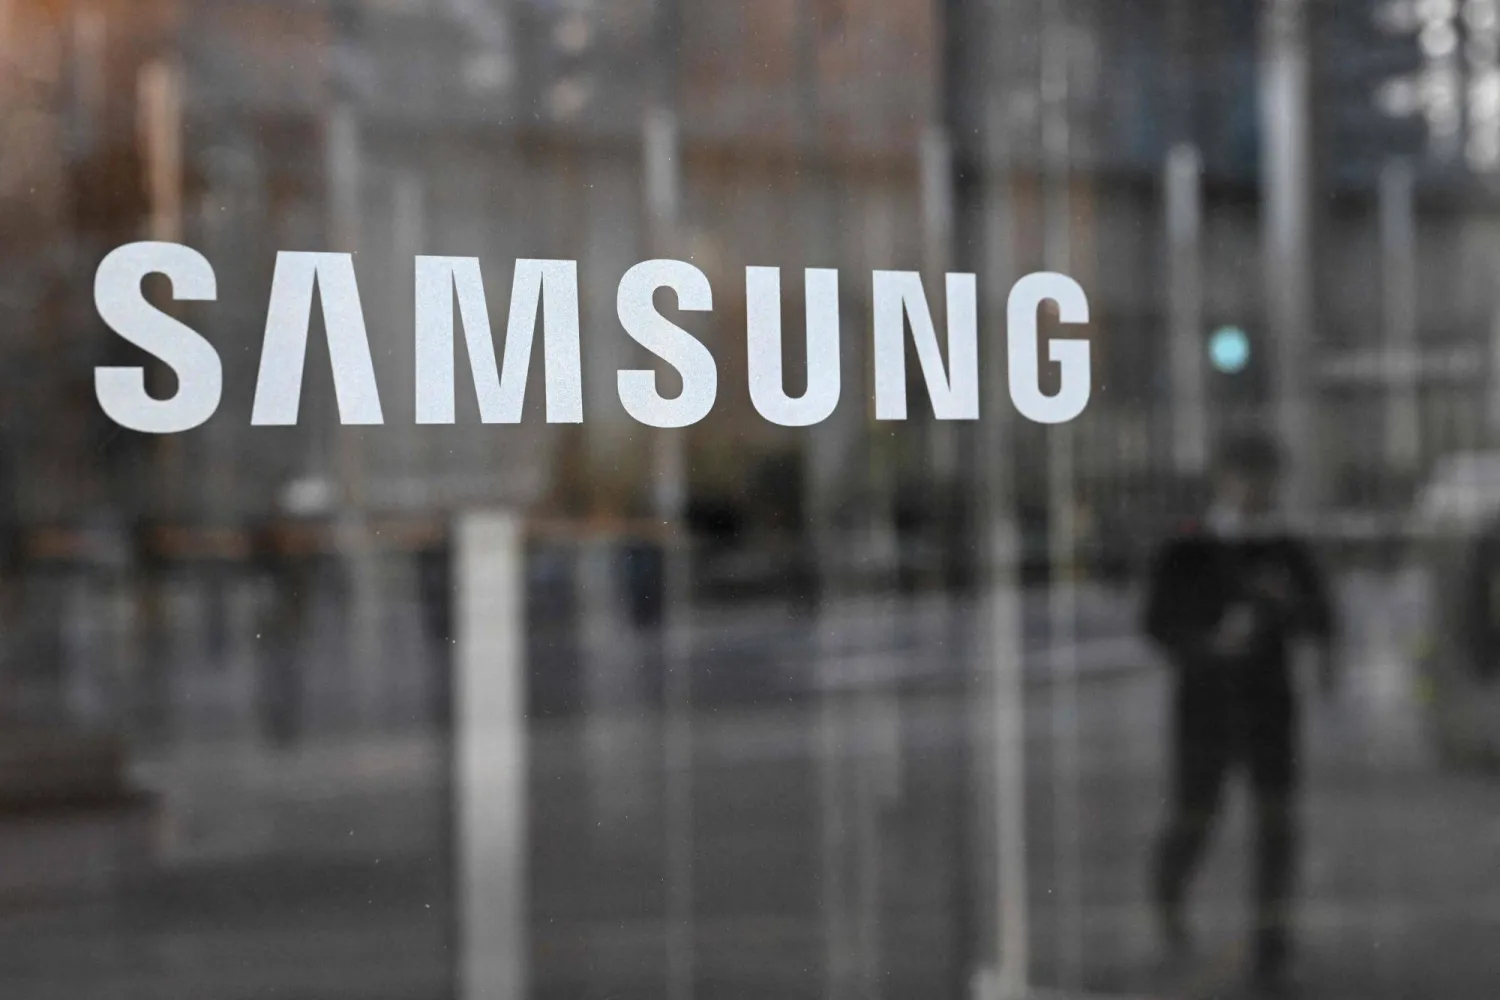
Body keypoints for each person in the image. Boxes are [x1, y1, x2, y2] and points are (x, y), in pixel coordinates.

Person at [1143, 432, 1338, 992]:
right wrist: (1207, 644)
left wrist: (1290, 609)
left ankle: (1271, 945)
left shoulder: (1286, 548)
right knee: (1195, 814)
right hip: (1205, 705)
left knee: (1277, 826)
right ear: (1223, 480)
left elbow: (1323, 618)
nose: (1256, 489)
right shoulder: (1189, 547)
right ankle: (1169, 896)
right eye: (1246, 476)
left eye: (1266, 476)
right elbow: (1157, 623)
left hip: (1268, 707)